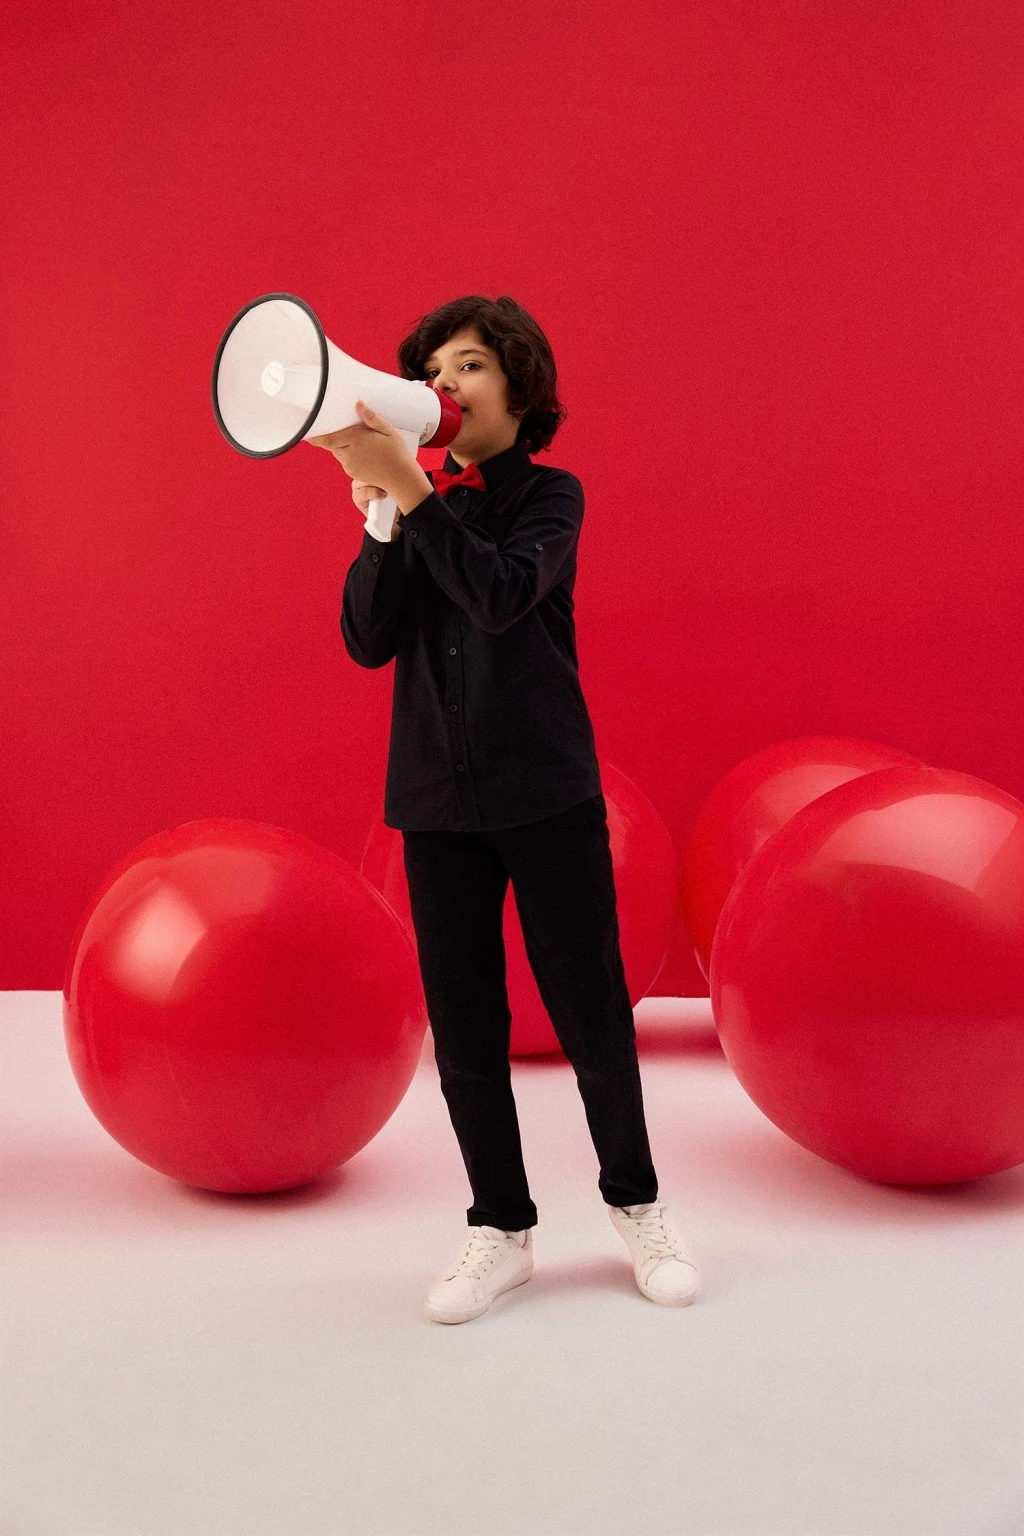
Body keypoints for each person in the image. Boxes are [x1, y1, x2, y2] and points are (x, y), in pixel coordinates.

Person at [313, 294, 699, 1324]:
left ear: (520, 391)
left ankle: (637, 1205)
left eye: (470, 364)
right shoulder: (415, 502)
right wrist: (382, 514)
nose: (445, 383)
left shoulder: (552, 498)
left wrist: (415, 493)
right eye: (432, 371)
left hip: (545, 793)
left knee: (590, 1013)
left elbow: (495, 595)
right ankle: (501, 1226)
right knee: (466, 1030)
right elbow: (365, 638)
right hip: (435, 802)